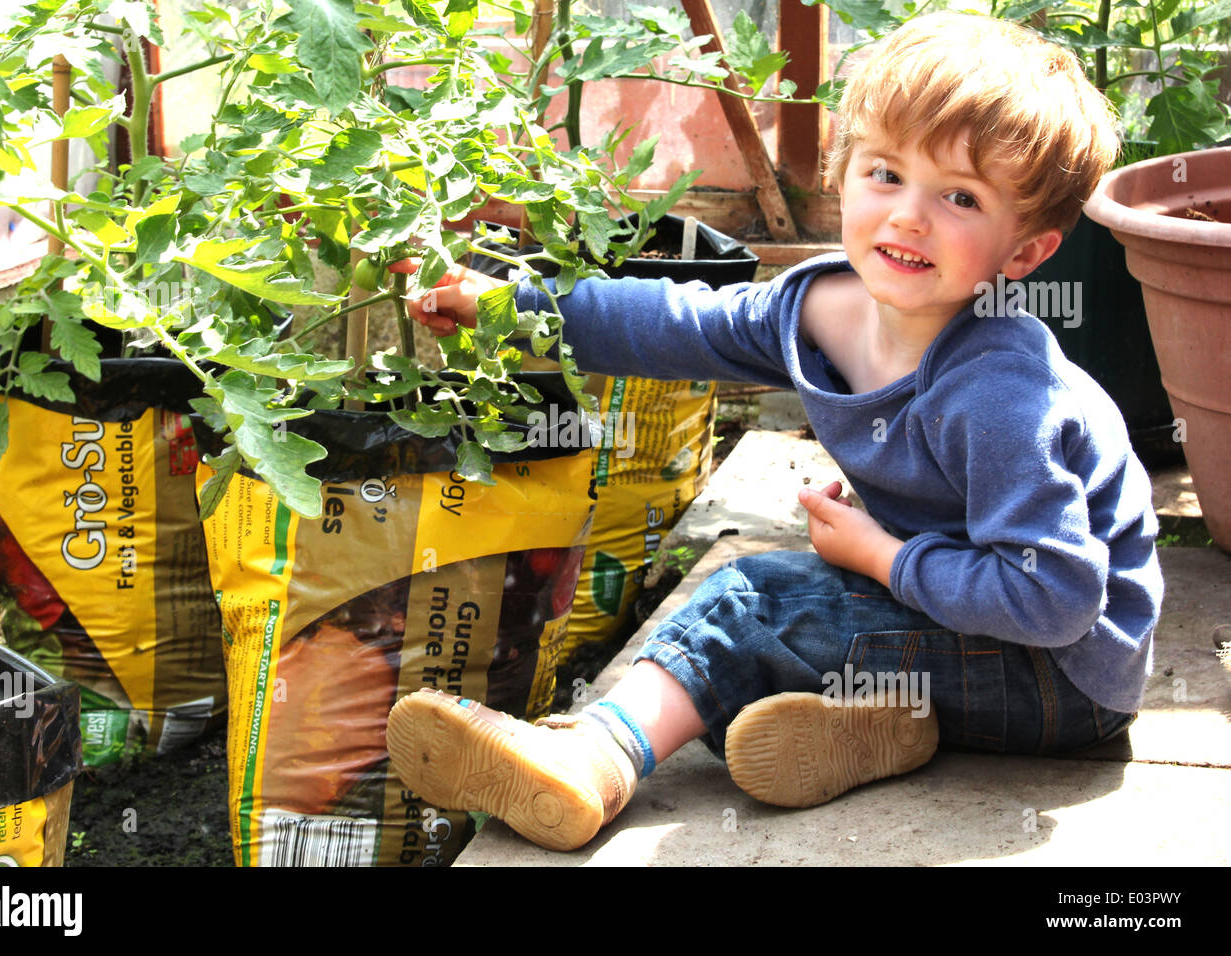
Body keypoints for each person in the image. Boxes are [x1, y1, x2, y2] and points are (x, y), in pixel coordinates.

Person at [383, 11, 1163, 853]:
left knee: (748, 601)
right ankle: (882, 726)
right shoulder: (822, 308)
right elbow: (676, 322)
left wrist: (880, 555)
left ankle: (594, 756)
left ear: (1025, 253)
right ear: (842, 168)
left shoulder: (1002, 391)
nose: (908, 216)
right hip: (970, 635)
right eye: (885, 172)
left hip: (1064, 678)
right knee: (775, 637)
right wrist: (509, 304)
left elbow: (1057, 601)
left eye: (960, 197)